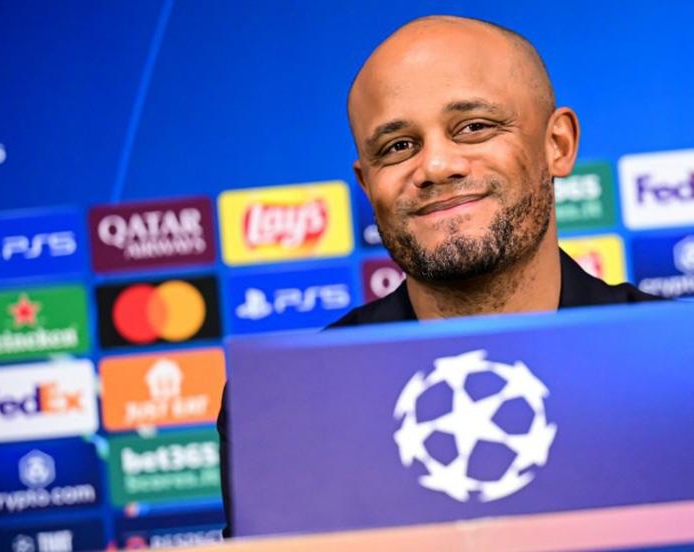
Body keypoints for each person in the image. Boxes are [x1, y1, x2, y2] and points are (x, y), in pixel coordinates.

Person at [217, 15, 660, 537]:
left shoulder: (675, 364)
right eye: (398, 146)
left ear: (556, 144)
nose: (437, 166)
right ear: (366, 182)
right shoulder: (287, 406)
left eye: (473, 127)